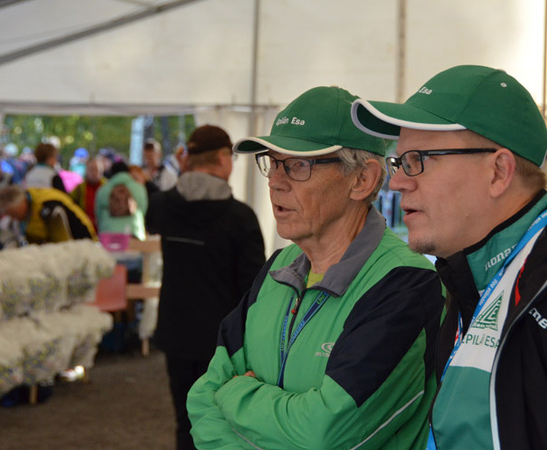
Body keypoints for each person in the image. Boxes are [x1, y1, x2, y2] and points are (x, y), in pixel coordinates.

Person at [351, 64, 547, 450]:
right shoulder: (469, 282)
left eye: (418, 159)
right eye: (398, 162)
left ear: (499, 172)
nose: (398, 181)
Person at [187, 86, 444, 450]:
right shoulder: (279, 267)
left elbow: (324, 436)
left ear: (363, 180)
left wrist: (236, 393)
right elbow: (202, 400)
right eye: (272, 162)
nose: (275, 182)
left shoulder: (406, 285)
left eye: (299, 165)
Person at [146, 125, 266, 450]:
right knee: (223, 425)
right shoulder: (240, 218)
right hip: (222, 342)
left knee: (185, 421)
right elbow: (254, 290)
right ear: (224, 157)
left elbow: (151, 219)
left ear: (188, 159)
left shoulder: (162, 206)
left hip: (175, 332)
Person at [0, 185, 97, 244]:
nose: (14, 218)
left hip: (83, 243)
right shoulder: (28, 206)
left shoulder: (48, 208)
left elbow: (62, 244)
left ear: (21, 202)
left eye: (14, 213)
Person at [94, 161, 148, 240]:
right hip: (134, 232)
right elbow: (143, 210)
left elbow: (98, 215)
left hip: (108, 234)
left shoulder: (102, 190)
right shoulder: (139, 188)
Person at [70, 157, 106, 230]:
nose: (94, 173)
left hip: (104, 227)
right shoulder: (79, 189)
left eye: (96, 169)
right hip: (85, 227)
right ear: (86, 171)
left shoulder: (107, 187)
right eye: (91, 170)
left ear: (101, 171)